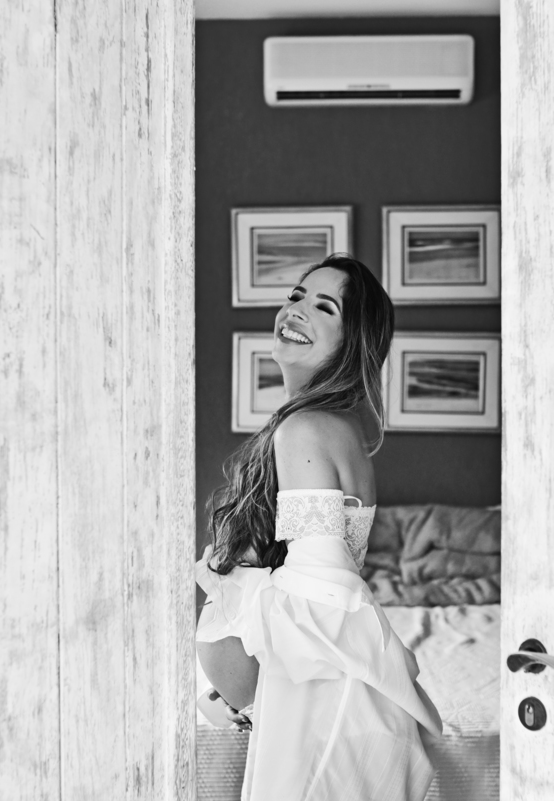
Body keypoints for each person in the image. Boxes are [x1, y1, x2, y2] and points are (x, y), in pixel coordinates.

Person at [195, 254, 443, 801]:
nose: (297, 309)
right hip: (310, 705)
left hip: (321, 719)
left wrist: (232, 589)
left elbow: (323, 597)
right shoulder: (326, 425)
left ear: (352, 343)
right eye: (296, 296)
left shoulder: (306, 429)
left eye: (324, 306)